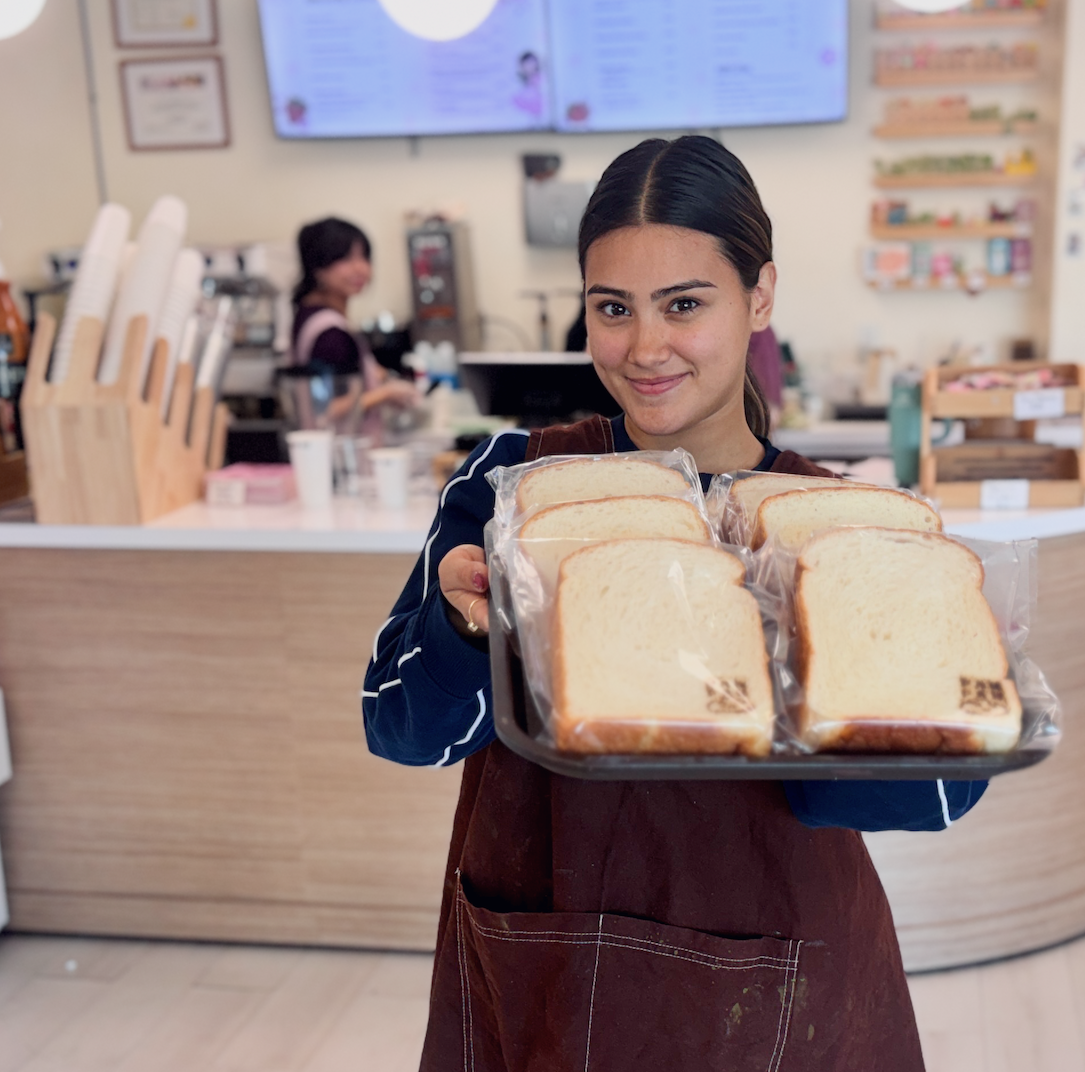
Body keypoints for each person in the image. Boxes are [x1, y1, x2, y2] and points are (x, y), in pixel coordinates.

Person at [363, 136, 987, 1070]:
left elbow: (935, 795)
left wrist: (902, 682)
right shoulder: (514, 486)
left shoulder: (834, 524)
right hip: (544, 961)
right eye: (612, 308)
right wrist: (462, 630)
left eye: (684, 304)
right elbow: (401, 729)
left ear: (760, 296)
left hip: (782, 977)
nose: (644, 347)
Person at [289, 217, 415, 429]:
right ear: (317, 266)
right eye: (346, 258)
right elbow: (326, 409)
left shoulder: (308, 314)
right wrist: (386, 393)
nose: (360, 268)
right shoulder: (329, 332)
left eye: (364, 257)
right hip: (340, 446)